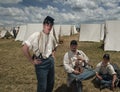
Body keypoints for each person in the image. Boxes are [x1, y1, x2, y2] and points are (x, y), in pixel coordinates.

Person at [22, 16, 58, 92]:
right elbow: (24, 48)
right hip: (41, 63)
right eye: (48, 25)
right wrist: (32, 61)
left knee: (51, 83)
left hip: (50, 62)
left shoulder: (51, 37)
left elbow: (55, 47)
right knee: (42, 87)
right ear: (44, 25)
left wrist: (53, 55)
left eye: (51, 25)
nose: (49, 27)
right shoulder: (36, 35)